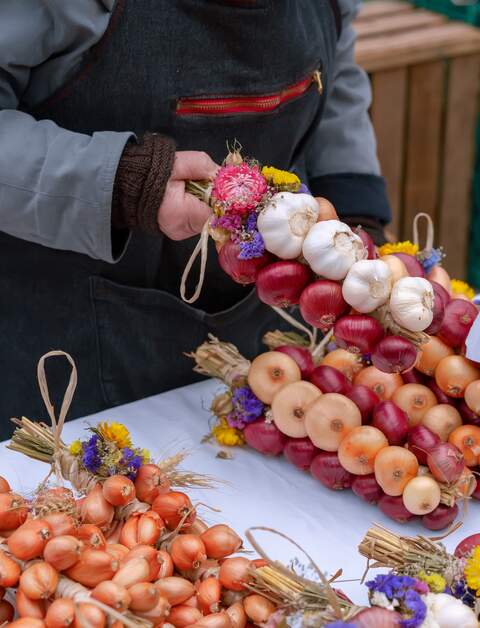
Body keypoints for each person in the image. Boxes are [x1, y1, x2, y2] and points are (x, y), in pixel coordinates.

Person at [0, 0, 391, 439]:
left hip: (264, 346)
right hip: (71, 344)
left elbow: (334, 83)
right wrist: (124, 182)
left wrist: (357, 212)